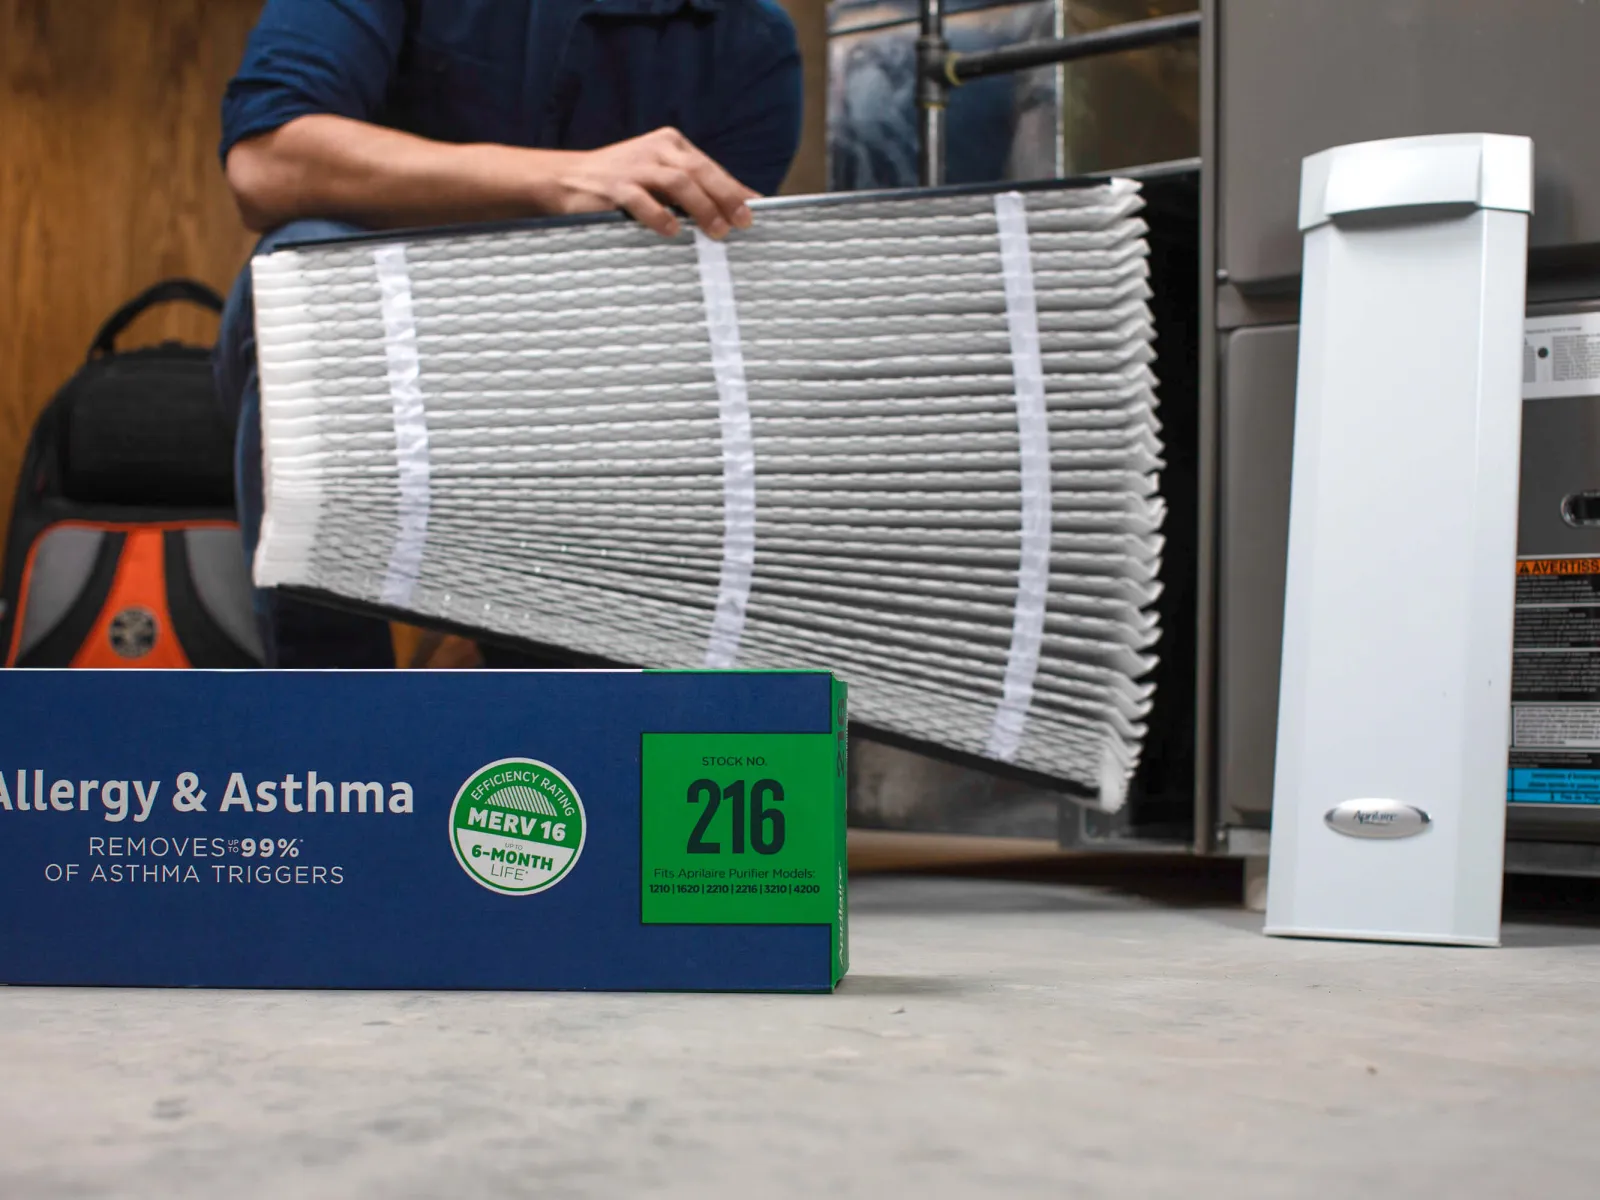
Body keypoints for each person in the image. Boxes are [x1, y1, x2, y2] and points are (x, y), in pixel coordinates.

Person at [213, 0, 802, 667]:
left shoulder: (748, 39)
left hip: (595, 386)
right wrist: (557, 179)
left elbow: (707, 316)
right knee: (310, 264)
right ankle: (338, 727)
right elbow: (266, 163)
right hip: (382, 361)